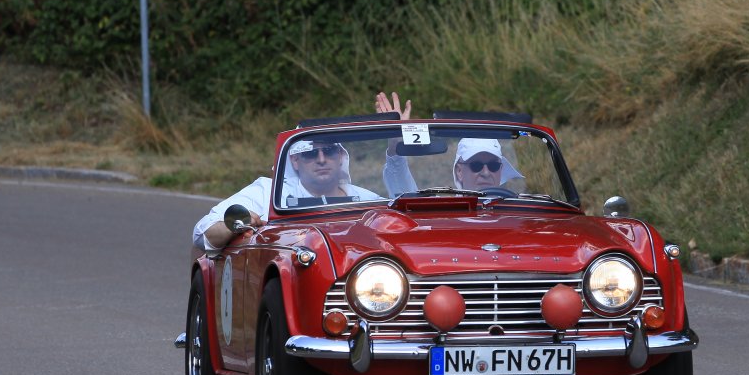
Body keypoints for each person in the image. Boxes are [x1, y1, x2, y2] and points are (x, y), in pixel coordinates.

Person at [192, 138, 379, 252]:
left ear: (340, 156)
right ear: (295, 160)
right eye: (310, 154)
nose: (321, 159)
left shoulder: (368, 200)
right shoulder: (268, 193)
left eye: (329, 151)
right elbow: (202, 233)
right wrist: (239, 221)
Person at [374, 90, 523, 196]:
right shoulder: (443, 211)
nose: (486, 173)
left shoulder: (516, 210)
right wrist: (395, 141)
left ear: (500, 170)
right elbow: (405, 197)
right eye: (476, 165)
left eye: (493, 166)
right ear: (459, 171)